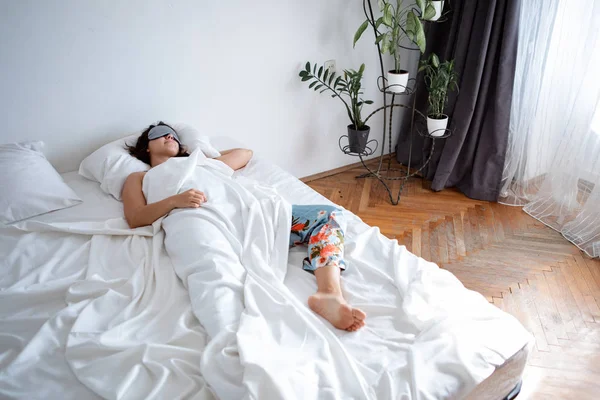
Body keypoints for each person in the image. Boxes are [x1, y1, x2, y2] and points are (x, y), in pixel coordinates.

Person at [123, 122, 366, 332]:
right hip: (200, 218)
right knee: (218, 274)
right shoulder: (140, 177)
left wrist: (203, 156)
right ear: (146, 146)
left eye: (174, 134)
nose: (170, 136)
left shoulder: (201, 163)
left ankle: (329, 292)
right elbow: (136, 217)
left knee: (328, 216)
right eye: (162, 133)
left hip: (253, 213)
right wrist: (175, 201)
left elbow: (245, 153)